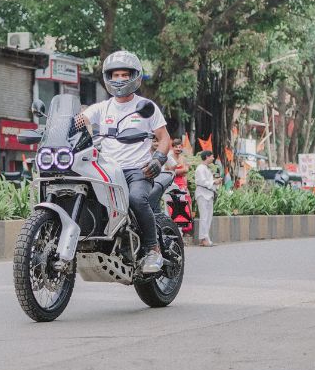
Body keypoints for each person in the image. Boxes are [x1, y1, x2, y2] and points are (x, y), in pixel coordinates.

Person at [75, 50, 172, 274]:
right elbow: (79, 121)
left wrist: (158, 159)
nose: (119, 80)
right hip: (108, 171)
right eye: (115, 75)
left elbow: (164, 138)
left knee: (137, 199)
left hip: (138, 171)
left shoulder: (147, 107)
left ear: (135, 76)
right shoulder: (102, 107)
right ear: (108, 78)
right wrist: (59, 126)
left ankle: (153, 249)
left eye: (124, 75)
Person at [194, 151, 217, 247]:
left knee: (208, 217)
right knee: (204, 217)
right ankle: (203, 239)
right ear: (207, 157)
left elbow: (208, 182)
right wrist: (214, 182)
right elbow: (202, 182)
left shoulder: (206, 168)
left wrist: (215, 182)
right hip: (202, 194)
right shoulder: (200, 168)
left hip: (208, 194)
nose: (213, 158)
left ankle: (206, 238)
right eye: (212, 156)